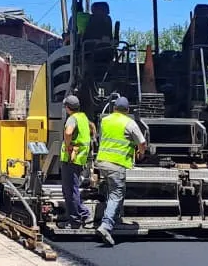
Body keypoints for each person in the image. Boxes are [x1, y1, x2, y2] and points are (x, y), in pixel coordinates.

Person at [95, 96, 146, 247]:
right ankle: (106, 225)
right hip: (117, 164)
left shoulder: (105, 120)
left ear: (114, 108)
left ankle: (115, 218)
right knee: (117, 194)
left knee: (113, 192)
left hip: (102, 161)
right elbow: (142, 142)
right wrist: (140, 153)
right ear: (128, 110)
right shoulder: (129, 123)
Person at [59, 95, 94, 229]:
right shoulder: (83, 117)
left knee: (70, 190)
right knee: (70, 189)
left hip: (71, 159)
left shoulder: (72, 119)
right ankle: (75, 218)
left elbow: (68, 133)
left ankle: (80, 217)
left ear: (68, 108)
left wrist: (68, 146)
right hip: (79, 159)